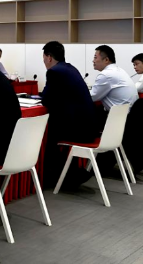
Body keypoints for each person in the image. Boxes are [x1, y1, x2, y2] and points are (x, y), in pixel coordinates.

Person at [41, 41, 99, 188]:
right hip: (89, 126)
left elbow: (46, 99)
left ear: (49, 57)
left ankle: (52, 175)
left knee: (48, 132)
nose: (44, 61)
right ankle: (68, 172)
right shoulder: (71, 68)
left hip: (77, 130)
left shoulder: (54, 72)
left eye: (44, 58)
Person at [91, 45, 138, 111]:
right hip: (130, 113)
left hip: (119, 115)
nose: (93, 61)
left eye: (95, 57)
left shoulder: (106, 74)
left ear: (106, 60)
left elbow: (91, 97)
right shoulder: (119, 70)